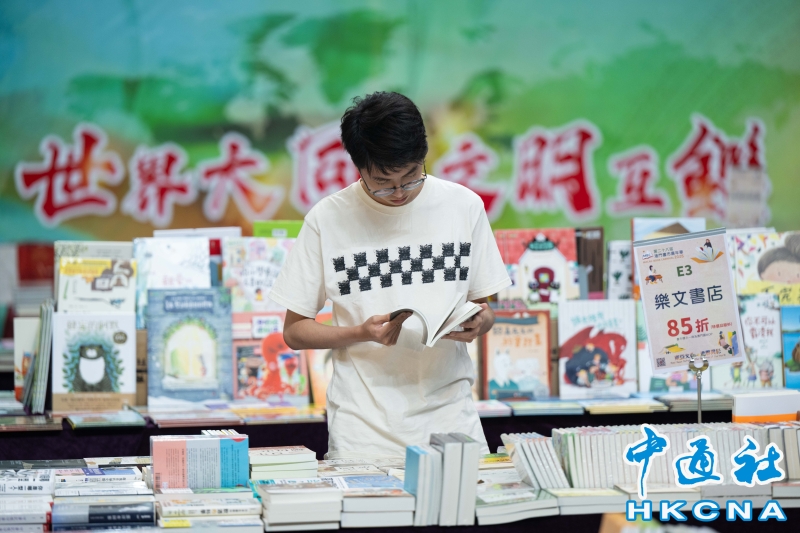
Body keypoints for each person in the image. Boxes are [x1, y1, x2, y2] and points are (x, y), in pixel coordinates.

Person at [268, 92, 511, 459]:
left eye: (411, 177)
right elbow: (294, 331)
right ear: (358, 166)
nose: (399, 192)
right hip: (364, 433)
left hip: (452, 422)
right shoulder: (327, 219)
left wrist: (480, 322)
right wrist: (361, 333)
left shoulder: (463, 206)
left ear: (424, 154)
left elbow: (484, 308)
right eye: (382, 182)